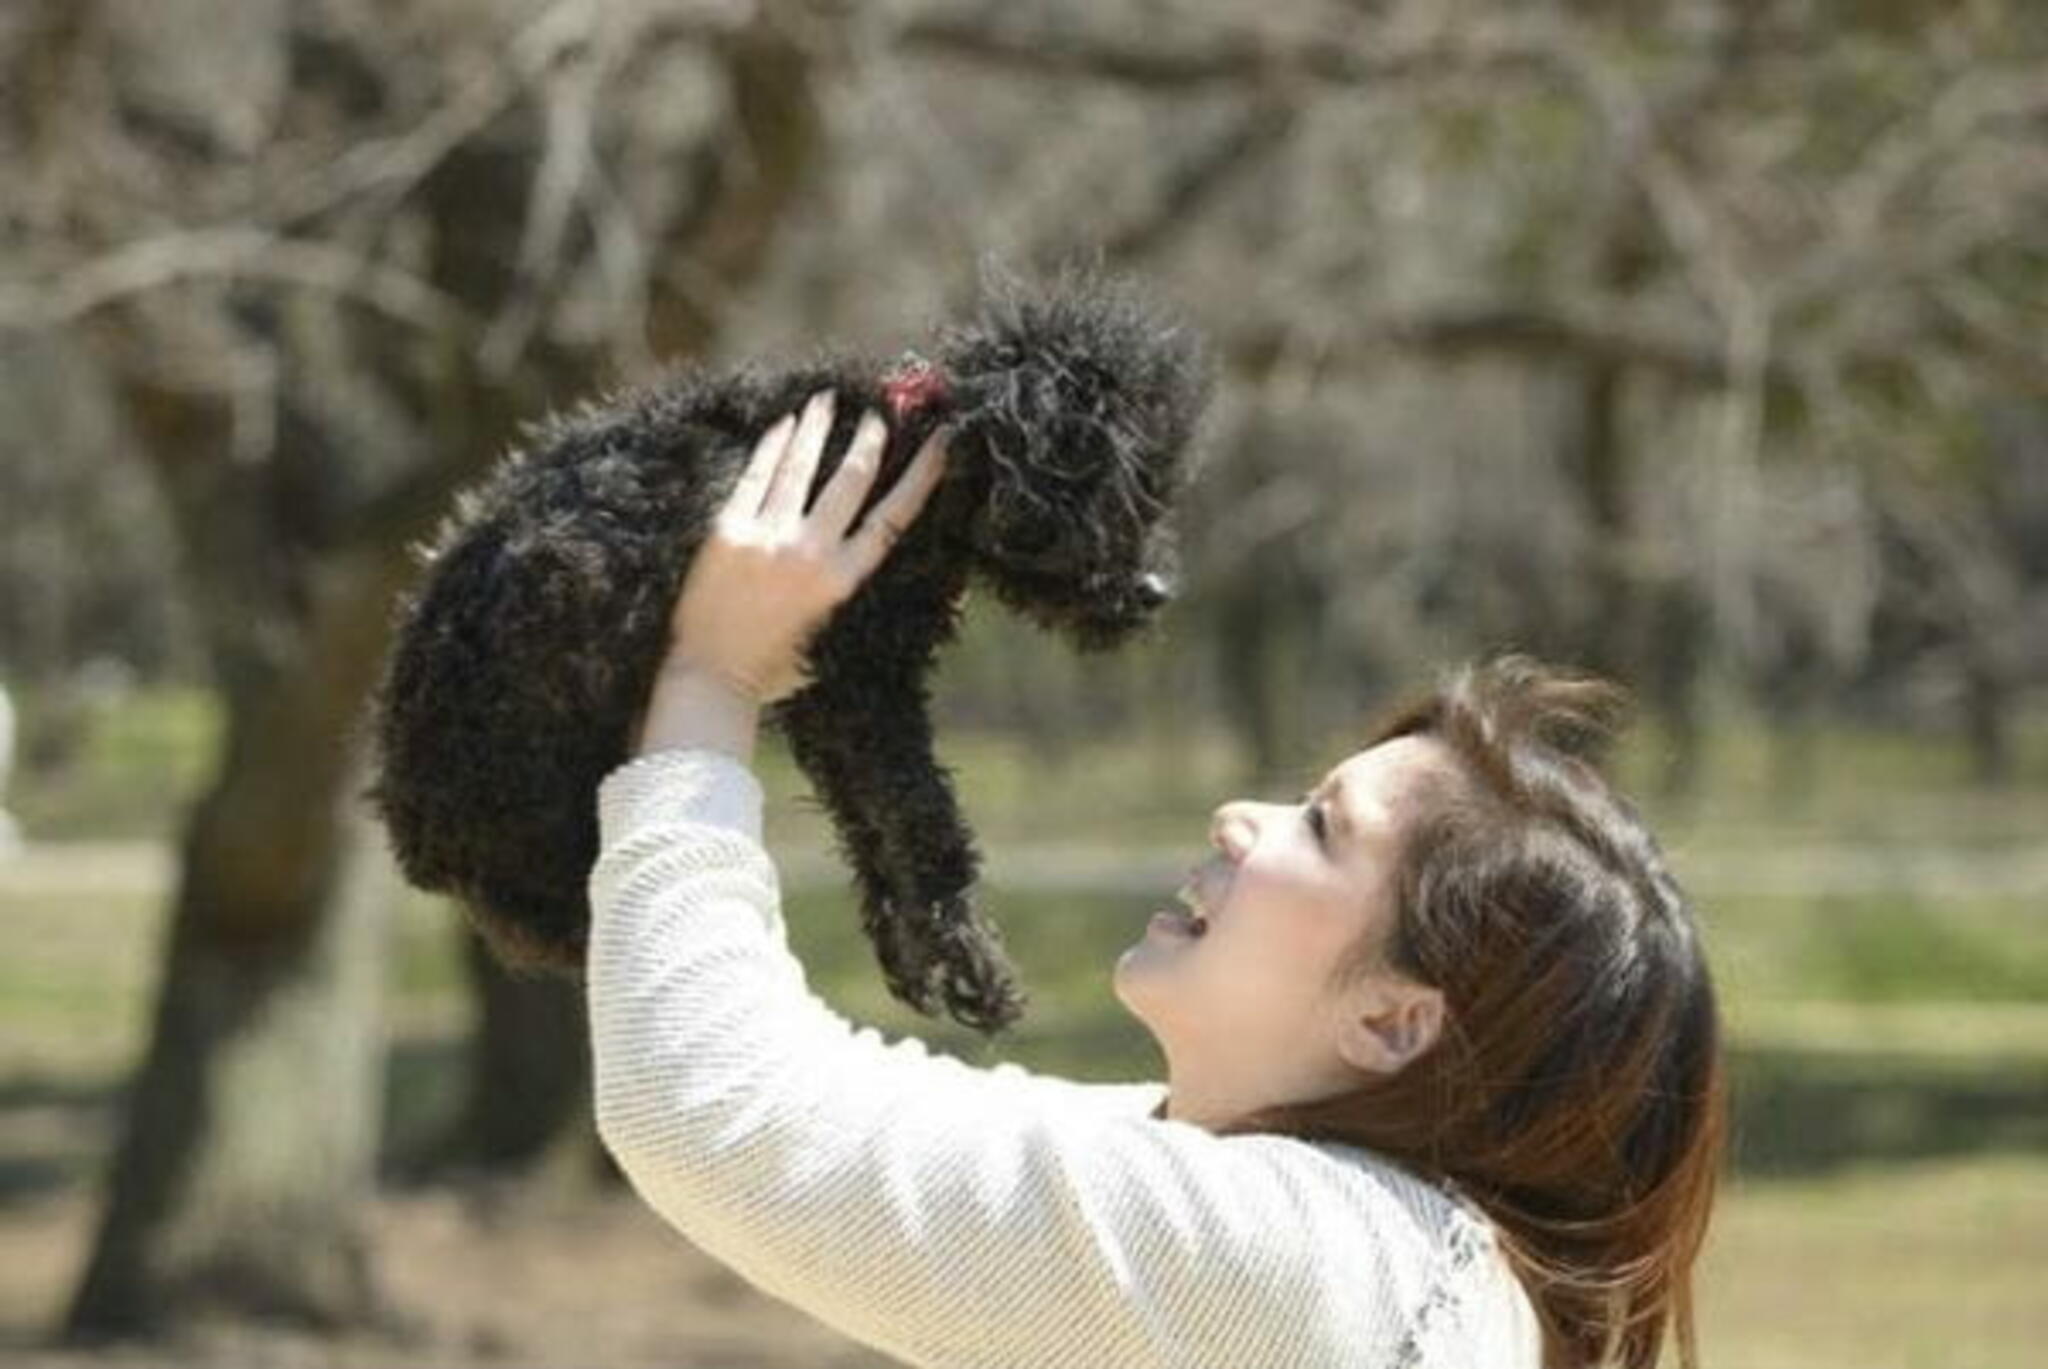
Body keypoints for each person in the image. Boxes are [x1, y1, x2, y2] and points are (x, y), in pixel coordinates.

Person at [588, 389, 1725, 1369]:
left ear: (1392, 1019)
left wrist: (712, 672)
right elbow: (852, 1115)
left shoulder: (1288, 1258)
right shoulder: (1365, 1241)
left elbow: (724, 1118)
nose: (1240, 819)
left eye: (1323, 831)